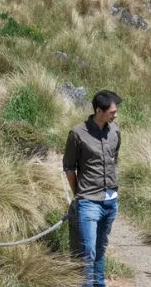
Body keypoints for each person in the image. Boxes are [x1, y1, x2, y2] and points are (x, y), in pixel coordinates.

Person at [63, 90, 123, 287]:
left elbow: (114, 159)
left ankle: (100, 284)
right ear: (99, 110)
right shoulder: (77, 133)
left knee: (100, 249)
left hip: (110, 200)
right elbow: (70, 168)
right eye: (112, 112)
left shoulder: (115, 131)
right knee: (87, 252)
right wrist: (79, 194)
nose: (115, 115)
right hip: (88, 201)